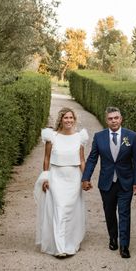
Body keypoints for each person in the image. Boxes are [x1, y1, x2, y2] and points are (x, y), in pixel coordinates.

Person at [81, 106, 136, 259]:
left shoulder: (132, 137)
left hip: (125, 182)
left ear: (121, 119)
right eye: (110, 118)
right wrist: (86, 178)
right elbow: (92, 159)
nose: (113, 121)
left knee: (124, 213)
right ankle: (113, 238)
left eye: (116, 118)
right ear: (106, 120)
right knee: (109, 212)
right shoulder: (99, 137)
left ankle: (124, 245)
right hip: (106, 182)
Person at [34, 107, 88, 258]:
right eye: (66, 118)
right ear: (61, 120)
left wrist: (85, 179)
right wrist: (45, 177)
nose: (68, 120)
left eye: (71, 118)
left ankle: (71, 241)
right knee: (59, 208)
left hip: (74, 178)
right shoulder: (52, 136)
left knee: (71, 211)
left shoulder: (80, 137)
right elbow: (46, 158)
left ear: (74, 120)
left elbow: (82, 160)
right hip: (56, 177)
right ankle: (60, 247)